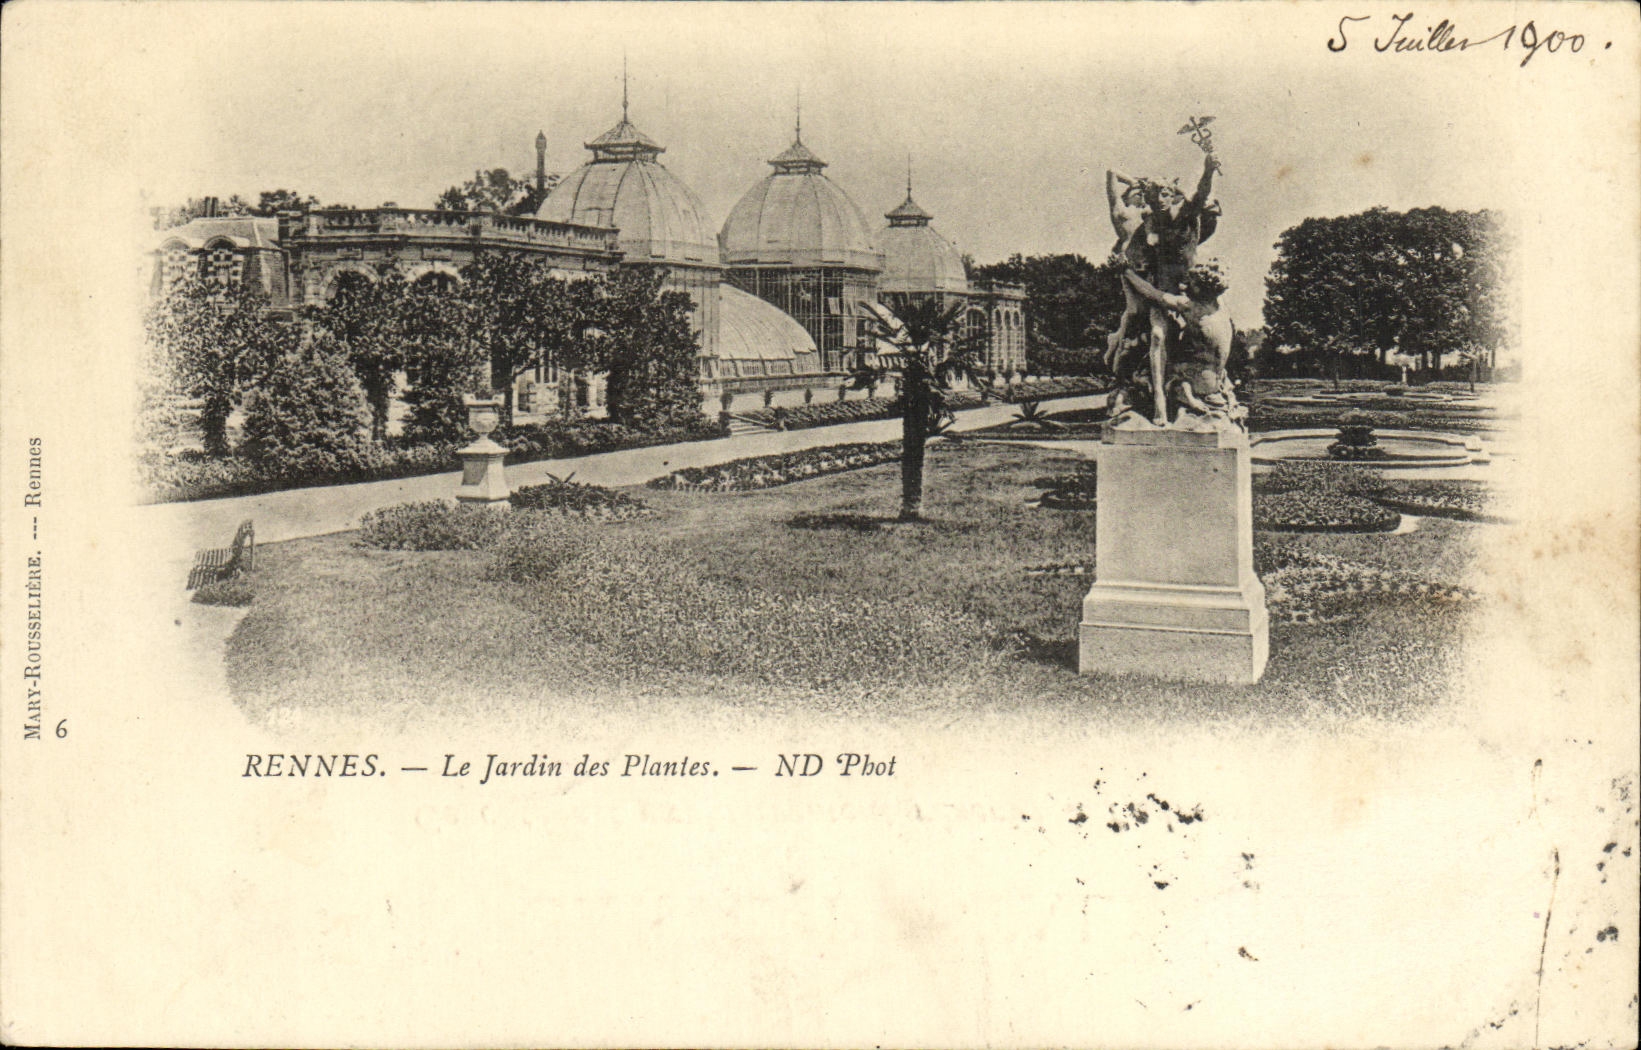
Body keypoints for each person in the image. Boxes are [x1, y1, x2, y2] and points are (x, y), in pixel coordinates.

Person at [1121, 260, 1237, 420]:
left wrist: (1127, 271)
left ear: (1201, 287)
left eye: (1192, 283)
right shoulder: (1222, 309)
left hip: (1198, 382)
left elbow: (1153, 294)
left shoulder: (1192, 307)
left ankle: (1159, 405)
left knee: (1147, 367)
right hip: (1215, 382)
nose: (1185, 286)